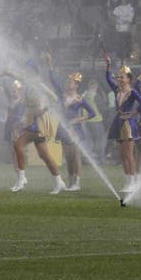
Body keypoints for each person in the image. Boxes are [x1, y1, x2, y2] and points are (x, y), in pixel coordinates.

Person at [0, 64, 67, 194]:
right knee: (44, 155)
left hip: (38, 122)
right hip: (32, 120)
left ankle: (21, 179)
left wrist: (43, 109)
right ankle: (59, 181)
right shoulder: (27, 83)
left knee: (18, 145)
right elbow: (13, 74)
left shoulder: (39, 85)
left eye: (28, 71)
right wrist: (1, 74)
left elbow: (55, 98)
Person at [47, 54, 96, 191]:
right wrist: (50, 64)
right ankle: (71, 181)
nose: (68, 84)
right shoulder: (62, 94)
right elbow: (53, 80)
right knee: (68, 156)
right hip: (64, 128)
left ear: (77, 85)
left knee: (76, 155)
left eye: (71, 82)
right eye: (68, 81)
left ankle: (77, 183)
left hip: (75, 129)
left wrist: (79, 119)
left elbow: (92, 113)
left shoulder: (80, 99)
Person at [105, 55, 141, 193]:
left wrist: (133, 113)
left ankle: (134, 181)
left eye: (122, 77)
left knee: (129, 154)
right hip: (119, 122)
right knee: (122, 154)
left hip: (128, 124)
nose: (119, 79)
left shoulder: (132, 91)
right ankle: (128, 181)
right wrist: (108, 66)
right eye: (119, 77)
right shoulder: (117, 90)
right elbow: (108, 79)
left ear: (129, 78)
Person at [1, 79, 26, 189]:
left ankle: (21, 177)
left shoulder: (22, 103)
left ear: (20, 91)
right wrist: (0, 78)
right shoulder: (11, 101)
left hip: (17, 128)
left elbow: (21, 117)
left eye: (15, 90)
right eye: (13, 90)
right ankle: (18, 179)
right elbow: (5, 89)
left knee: (17, 153)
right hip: (9, 127)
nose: (13, 92)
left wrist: (17, 126)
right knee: (11, 153)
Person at [82, 80, 107, 163]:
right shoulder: (96, 96)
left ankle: (88, 159)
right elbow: (102, 108)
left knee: (88, 141)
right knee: (101, 140)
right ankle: (101, 159)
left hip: (86, 121)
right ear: (95, 87)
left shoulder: (84, 95)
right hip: (96, 120)